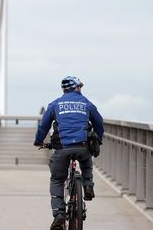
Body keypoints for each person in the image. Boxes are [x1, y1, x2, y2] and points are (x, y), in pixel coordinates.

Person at [34, 76, 104, 230]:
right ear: (77, 88)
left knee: (57, 179)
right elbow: (99, 122)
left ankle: (59, 213)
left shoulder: (55, 104)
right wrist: (98, 139)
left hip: (62, 148)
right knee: (86, 163)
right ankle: (88, 186)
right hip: (83, 146)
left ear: (64, 89)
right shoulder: (86, 103)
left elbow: (43, 126)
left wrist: (39, 141)